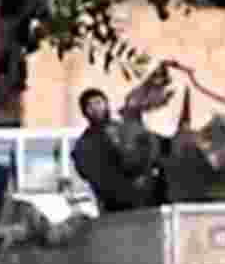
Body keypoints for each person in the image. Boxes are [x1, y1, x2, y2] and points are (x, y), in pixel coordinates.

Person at [70, 85, 170, 213]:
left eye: (98, 102)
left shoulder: (124, 128)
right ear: (85, 112)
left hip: (148, 204)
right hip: (116, 210)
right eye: (90, 106)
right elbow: (99, 176)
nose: (95, 108)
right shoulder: (84, 144)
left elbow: (156, 149)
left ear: (106, 104)